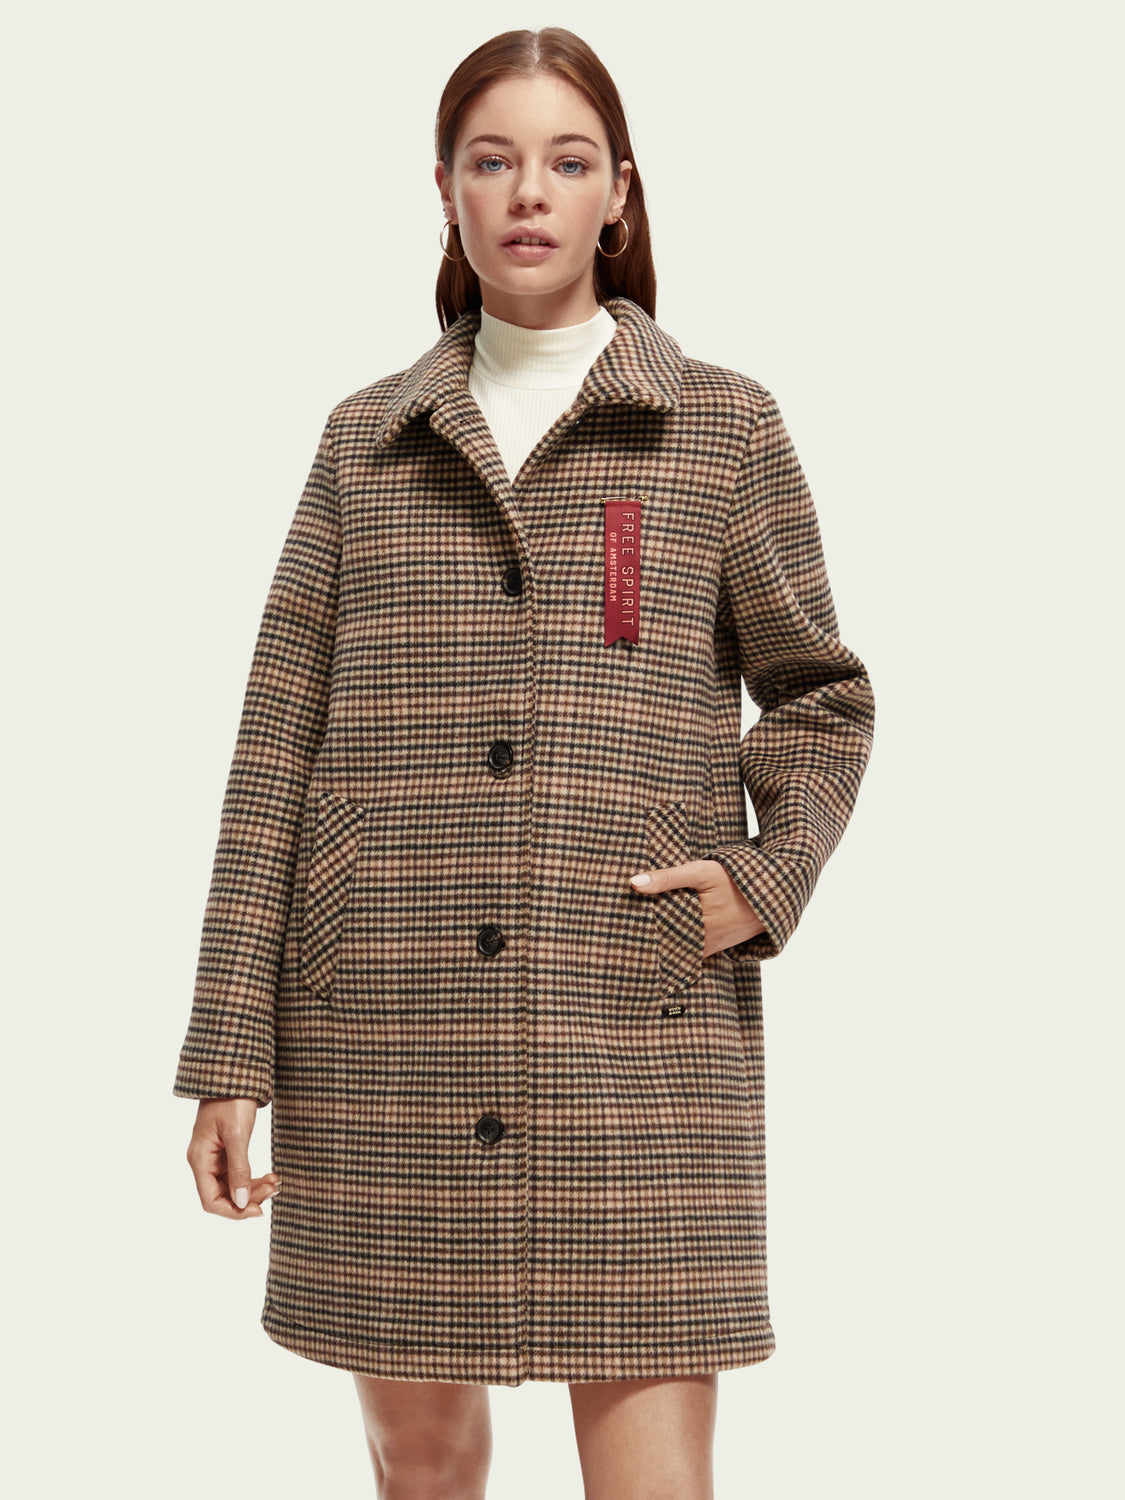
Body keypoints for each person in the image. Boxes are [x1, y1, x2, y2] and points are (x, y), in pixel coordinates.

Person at [175, 26, 875, 1500]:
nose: (529, 193)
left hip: (630, 1026)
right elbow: (274, 747)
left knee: (654, 1478)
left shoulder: (721, 426)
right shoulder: (366, 440)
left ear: (620, 192)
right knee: (420, 1465)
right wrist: (228, 1054)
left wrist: (761, 880)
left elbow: (820, 696)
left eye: (567, 161)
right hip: (386, 1030)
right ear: (445, 190)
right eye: (492, 161)